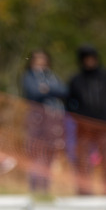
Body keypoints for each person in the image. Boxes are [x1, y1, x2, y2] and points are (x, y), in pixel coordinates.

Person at [66, 44, 106, 196]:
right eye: (86, 59)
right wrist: (79, 116)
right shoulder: (76, 80)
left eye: (92, 58)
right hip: (84, 127)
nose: (89, 61)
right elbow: (69, 103)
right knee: (82, 160)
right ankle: (84, 192)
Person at [21, 49, 67, 193]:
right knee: (35, 153)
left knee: (49, 154)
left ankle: (45, 186)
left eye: (43, 59)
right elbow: (33, 92)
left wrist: (47, 89)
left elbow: (64, 91)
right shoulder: (28, 76)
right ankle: (34, 186)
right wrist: (50, 91)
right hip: (36, 121)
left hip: (52, 121)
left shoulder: (52, 76)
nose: (41, 62)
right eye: (37, 59)